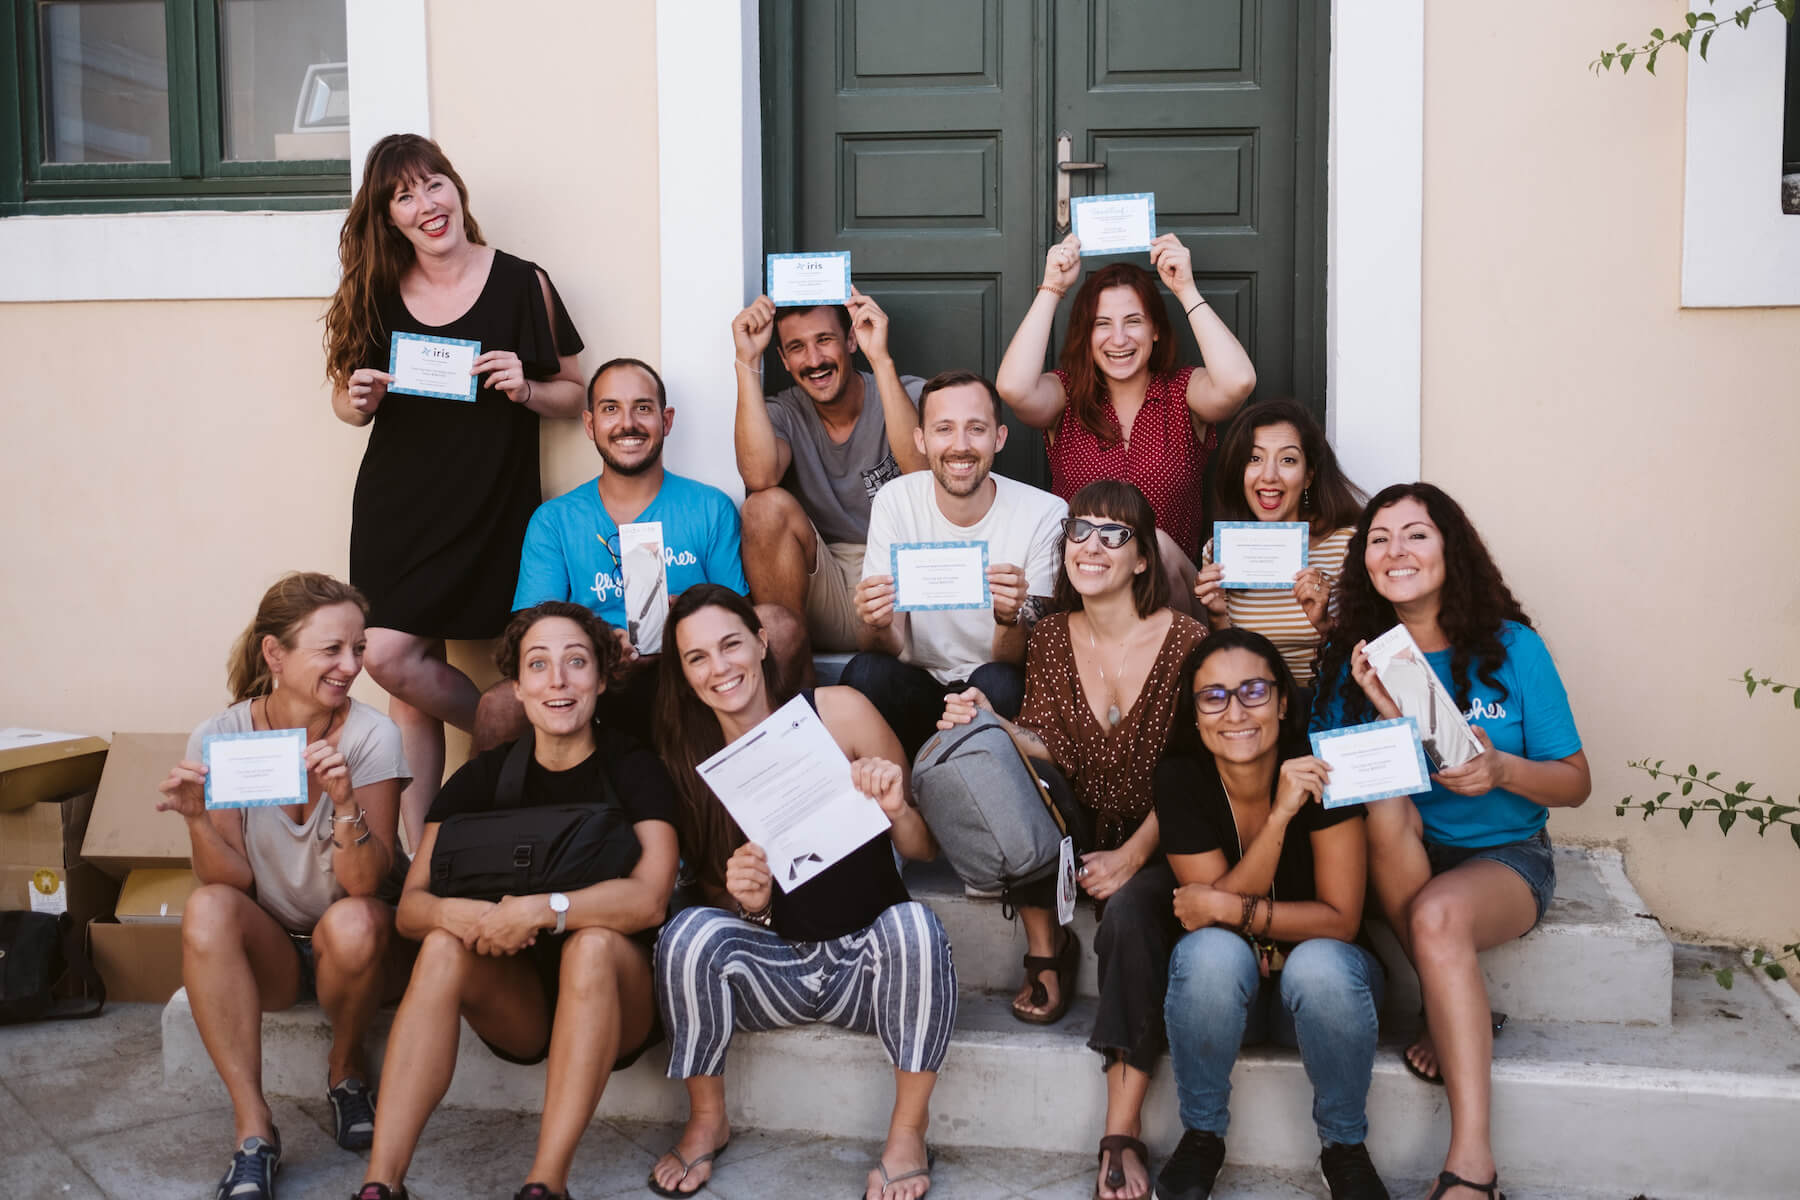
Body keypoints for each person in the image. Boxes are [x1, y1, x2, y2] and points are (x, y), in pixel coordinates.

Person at [1313, 483, 1589, 1200]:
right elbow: (1362, 782)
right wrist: (1381, 713)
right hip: (1407, 846)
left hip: (1505, 857)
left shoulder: (1511, 647)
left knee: (1439, 913)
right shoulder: (1365, 656)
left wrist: (1502, 768)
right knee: (1382, 812)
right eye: (1378, 538)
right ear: (1363, 561)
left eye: (1416, 534)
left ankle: (1473, 1168)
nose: (1396, 551)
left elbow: (1576, 782)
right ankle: (1451, 1006)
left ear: (1450, 548)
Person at [936, 480, 1208, 1200]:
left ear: (1144, 557)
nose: (1091, 546)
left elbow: (1196, 773)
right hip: (1080, 817)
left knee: (1130, 919)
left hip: (1165, 833)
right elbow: (1047, 743)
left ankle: (1120, 1130)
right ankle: (1046, 951)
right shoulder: (1052, 635)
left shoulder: (1187, 641)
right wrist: (990, 721)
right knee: (1011, 776)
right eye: (1080, 532)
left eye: (1113, 535)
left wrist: (1134, 857)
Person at [355, 602, 679, 1200]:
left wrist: (543, 909)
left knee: (594, 943)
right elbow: (411, 908)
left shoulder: (636, 769)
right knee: (441, 950)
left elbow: (650, 900)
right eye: (539, 665)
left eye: (576, 662)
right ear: (520, 687)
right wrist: (458, 914)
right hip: (520, 1007)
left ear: (601, 680)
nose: (558, 679)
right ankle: (381, 1183)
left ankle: (545, 1185)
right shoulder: (480, 781)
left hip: (622, 999)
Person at [648, 585, 955, 1200]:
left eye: (731, 644)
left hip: (867, 967)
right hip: (777, 967)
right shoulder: (689, 760)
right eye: (697, 658)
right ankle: (708, 1118)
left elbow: (925, 850)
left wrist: (895, 807)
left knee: (917, 927)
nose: (721, 667)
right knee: (684, 934)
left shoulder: (838, 710)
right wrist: (750, 905)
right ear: (683, 675)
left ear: (761, 643)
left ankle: (907, 1132)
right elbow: (717, 897)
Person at [324, 132, 586, 846]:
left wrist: (526, 386)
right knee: (393, 665)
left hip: (491, 502)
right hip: (397, 507)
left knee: (412, 680)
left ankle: (512, 742)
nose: (424, 205)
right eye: (403, 196)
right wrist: (359, 398)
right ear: (389, 218)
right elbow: (346, 405)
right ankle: (424, 853)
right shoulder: (377, 290)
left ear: (455, 189)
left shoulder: (521, 280)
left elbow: (577, 395)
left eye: (432, 184)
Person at [156, 573, 410, 1200]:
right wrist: (194, 816)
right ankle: (254, 1128)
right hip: (270, 943)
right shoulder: (223, 736)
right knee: (207, 907)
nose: (350, 665)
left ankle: (346, 1071)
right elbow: (231, 880)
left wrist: (344, 799)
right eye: (332, 649)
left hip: (352, 946)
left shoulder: (372, 735)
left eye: (358, 648)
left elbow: (366, 883)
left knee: (356, 921)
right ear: (275, 654)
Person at [1153, 628, 1388, 1200]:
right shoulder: (1181, 778)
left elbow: (1340, 922)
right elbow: (1206, 925)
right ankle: (1202, 1137)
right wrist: (1281, 819)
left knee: (1321, 966)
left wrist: (1231, 906)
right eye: (1213, 696)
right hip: (1230, 999)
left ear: (1284, 701)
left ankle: (1345, 1149)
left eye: (1253, 691)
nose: (1234, 711)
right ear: (1196, 712)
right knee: (1208, 954)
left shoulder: (1323, 771)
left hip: (1323, 997)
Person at [471, 356, 806, 750]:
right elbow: (529, 632)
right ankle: (492, 813)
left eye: (642, 408)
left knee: (779, 625)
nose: (627, 423)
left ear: (666, 421)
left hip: (691, 669)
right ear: (590, 425)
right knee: (497, 706)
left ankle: (797, 768)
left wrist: (689, 613)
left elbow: (741, 615)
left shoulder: (709, 506)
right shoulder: (554, 519)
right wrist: (601, 643)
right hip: (596, 679)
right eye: (610, 409)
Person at [994, 232, 1255, 609]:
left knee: (1158, 542)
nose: (1119, 339)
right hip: (1085, 594)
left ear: (1156, 331)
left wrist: (1185, 289)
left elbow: (1238, 381)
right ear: (1086, 336)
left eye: (1133, 321)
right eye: (1102, 324)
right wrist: (1052, 286)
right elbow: (1014, 388)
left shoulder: (1183, 392)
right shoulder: (1066, 395)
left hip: (1168, 601)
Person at [841, 369, 1067, 755]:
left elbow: (1023, 657)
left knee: (1000, 680)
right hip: (917, 683)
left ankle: (977, 791)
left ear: (999, 438)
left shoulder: (1043, 512)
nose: (960, 445)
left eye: (976, 429)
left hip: (992, 690)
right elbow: (883, 644)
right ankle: (901, 793)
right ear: (921, 440)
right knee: (863, 672)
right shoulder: (896, 501)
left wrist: (1008, 618)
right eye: (944, 429)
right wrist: (874, 622)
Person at [732, 288, 928, 652]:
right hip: (832, 584)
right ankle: (790, 672)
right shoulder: (784, 413)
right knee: (762, 507)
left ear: (851, 339)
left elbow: (921, 472)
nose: (814, 359)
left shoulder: (911, 395)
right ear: (784, 360)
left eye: (825, 340)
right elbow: (759, 476)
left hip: (907, 584)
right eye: (796, 348)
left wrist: (881, 359)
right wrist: (747, 362)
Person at [1192, 398, 1367, 687]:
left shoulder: (1348, 545)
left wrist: (1324, 625)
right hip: (1254, 710)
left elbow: (1368, 657)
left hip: (1322, 708)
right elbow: (1227, 666)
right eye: (1254, 458)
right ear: (1239, 471)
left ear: (1308, 475)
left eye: (1287, 460)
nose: (1269, 475)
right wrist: (1217, 615)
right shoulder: (1219, 550)